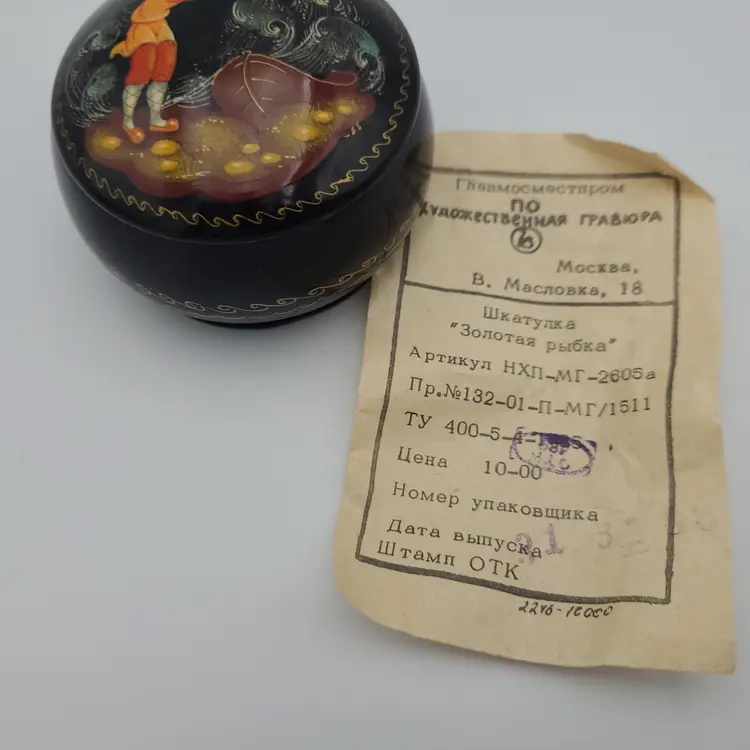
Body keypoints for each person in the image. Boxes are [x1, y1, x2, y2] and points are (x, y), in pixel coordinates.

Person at [110, 0, 193, 144]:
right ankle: (128, 122)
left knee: (163, 72)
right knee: (140, 75)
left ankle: (156, 119)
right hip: (143, 26)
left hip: (160, 24)